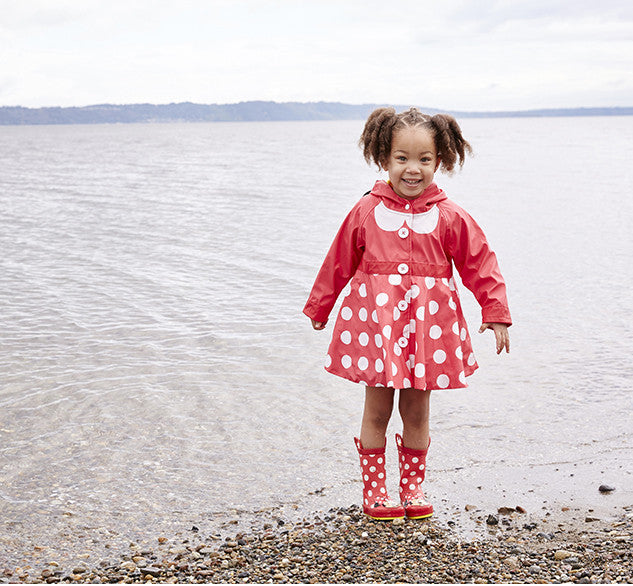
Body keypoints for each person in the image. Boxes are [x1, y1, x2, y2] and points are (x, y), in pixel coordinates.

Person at [303, 107, 511, 521]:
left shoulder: (449, 214)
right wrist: (320, 304)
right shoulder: (366, 210)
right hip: (375, 329)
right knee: (377, 409)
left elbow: (480, 261)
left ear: (440, 161)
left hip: (428, 332)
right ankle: (376, 490)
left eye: (424, 159)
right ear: (385, 159)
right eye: (402, 158)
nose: (412, 169)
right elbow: (338, 259)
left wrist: (496, 309)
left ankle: (412, 486)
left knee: (417, 410)